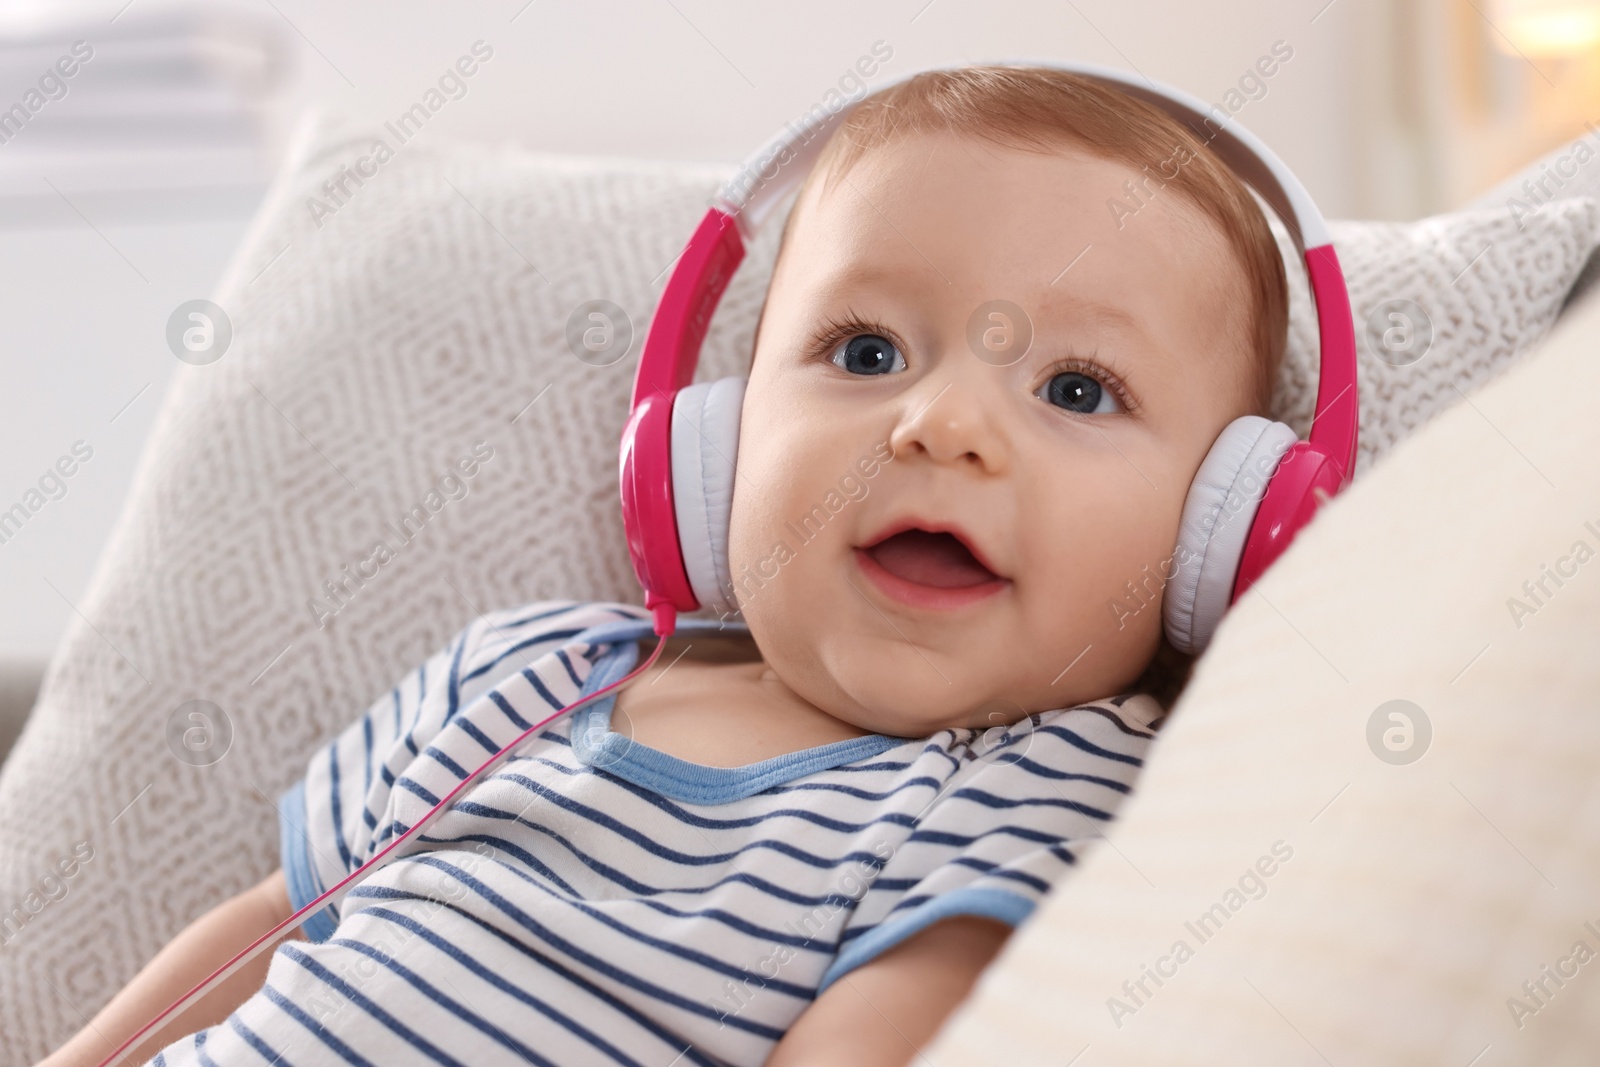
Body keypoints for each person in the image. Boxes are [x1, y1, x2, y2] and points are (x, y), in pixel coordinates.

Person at [40, 64, 1288, 1067]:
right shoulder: (528, 673)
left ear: (1214, 532)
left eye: (1076, 387)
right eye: (864, 353)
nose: (940, 424)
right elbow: (272, 922)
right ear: (704, 447)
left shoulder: (1038, 781)